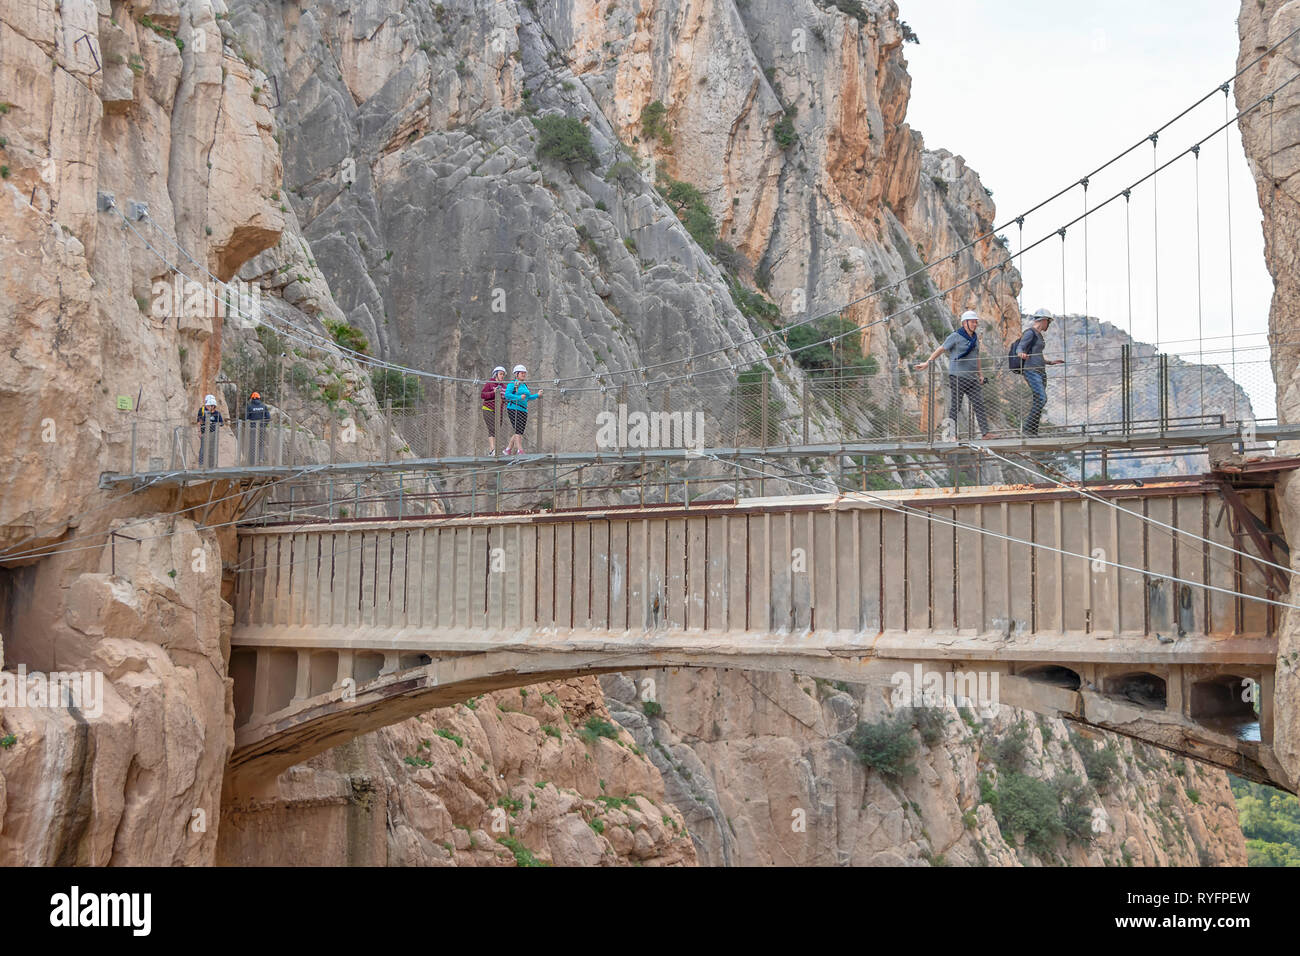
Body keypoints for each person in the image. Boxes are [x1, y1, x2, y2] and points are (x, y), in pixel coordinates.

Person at [915, 309, 994, 439]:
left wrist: (980, 375)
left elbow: (976, 357)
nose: (975, 324)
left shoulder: (975, 339)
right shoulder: (956, 336)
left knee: (979, 404)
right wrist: (927, 363)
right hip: (957, 377)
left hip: (972, 378)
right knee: (956, 406)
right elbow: (941, 349)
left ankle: (985, 433)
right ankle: (952, 435)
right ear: (965, 323)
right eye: (973, 322)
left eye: (976, 322)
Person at [1015, 308, 1064, 436]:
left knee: (1039, 401)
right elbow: (1021, 346)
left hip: (1041, 371)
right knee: (1042, 399)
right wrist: (1020, 353)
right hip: (1031, 370)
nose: (1049, 324)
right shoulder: (1030, 333)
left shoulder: (1038, 334)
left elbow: (1038, 354)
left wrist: (1050, 362)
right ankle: (1026, 429)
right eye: (1049, 321)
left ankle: (1033, 432)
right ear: (1043, 320)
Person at [503, 364, 541, 456]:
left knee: (519, 431)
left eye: (524, 373)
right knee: (518, 430)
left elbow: (527, 398)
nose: (524, 374)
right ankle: (520, 450)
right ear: (516, 374)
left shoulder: (524, 385)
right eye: (522, 373)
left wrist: (537, 395)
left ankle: (508, 449)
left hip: (523, 410)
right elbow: (507, 395)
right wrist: (519, 397)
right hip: (514, 408)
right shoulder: (513, 383)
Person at [480, 366, 507, 455]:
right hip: (488, 409)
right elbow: (483, 395)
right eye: (500, 374)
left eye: (503, 374)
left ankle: (494, 449)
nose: (502, 376)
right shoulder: (490, 383)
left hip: (499, 411)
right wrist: (493, 393)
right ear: (496, 374)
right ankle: (492, 450)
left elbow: (506, 397)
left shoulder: (504, 386)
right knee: (492, 428)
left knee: (497, 429)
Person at [196, 394, 223, 466]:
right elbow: (199, 422)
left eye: (209, 406)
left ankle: (212, 464)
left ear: (213, 406)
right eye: (207, 405)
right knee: (203, 449)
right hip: (204, 433)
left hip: (213, 434)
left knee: (212, 450)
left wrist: (214, 424)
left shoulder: (217, 414)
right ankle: (201, 464)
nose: (207, 407)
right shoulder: (202, 410)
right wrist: (199, 431)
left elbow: (221, 423)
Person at [245, 391, 270, 465]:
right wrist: (264, 425)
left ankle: (252, 461)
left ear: (252, 398)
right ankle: (261, 459)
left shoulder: (249, 406)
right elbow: (268, 417)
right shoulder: (263, 406)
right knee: (261, 443)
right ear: (259, 398)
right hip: (262, 427)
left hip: (253, 428)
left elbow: (247, 418)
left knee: (253, 444)